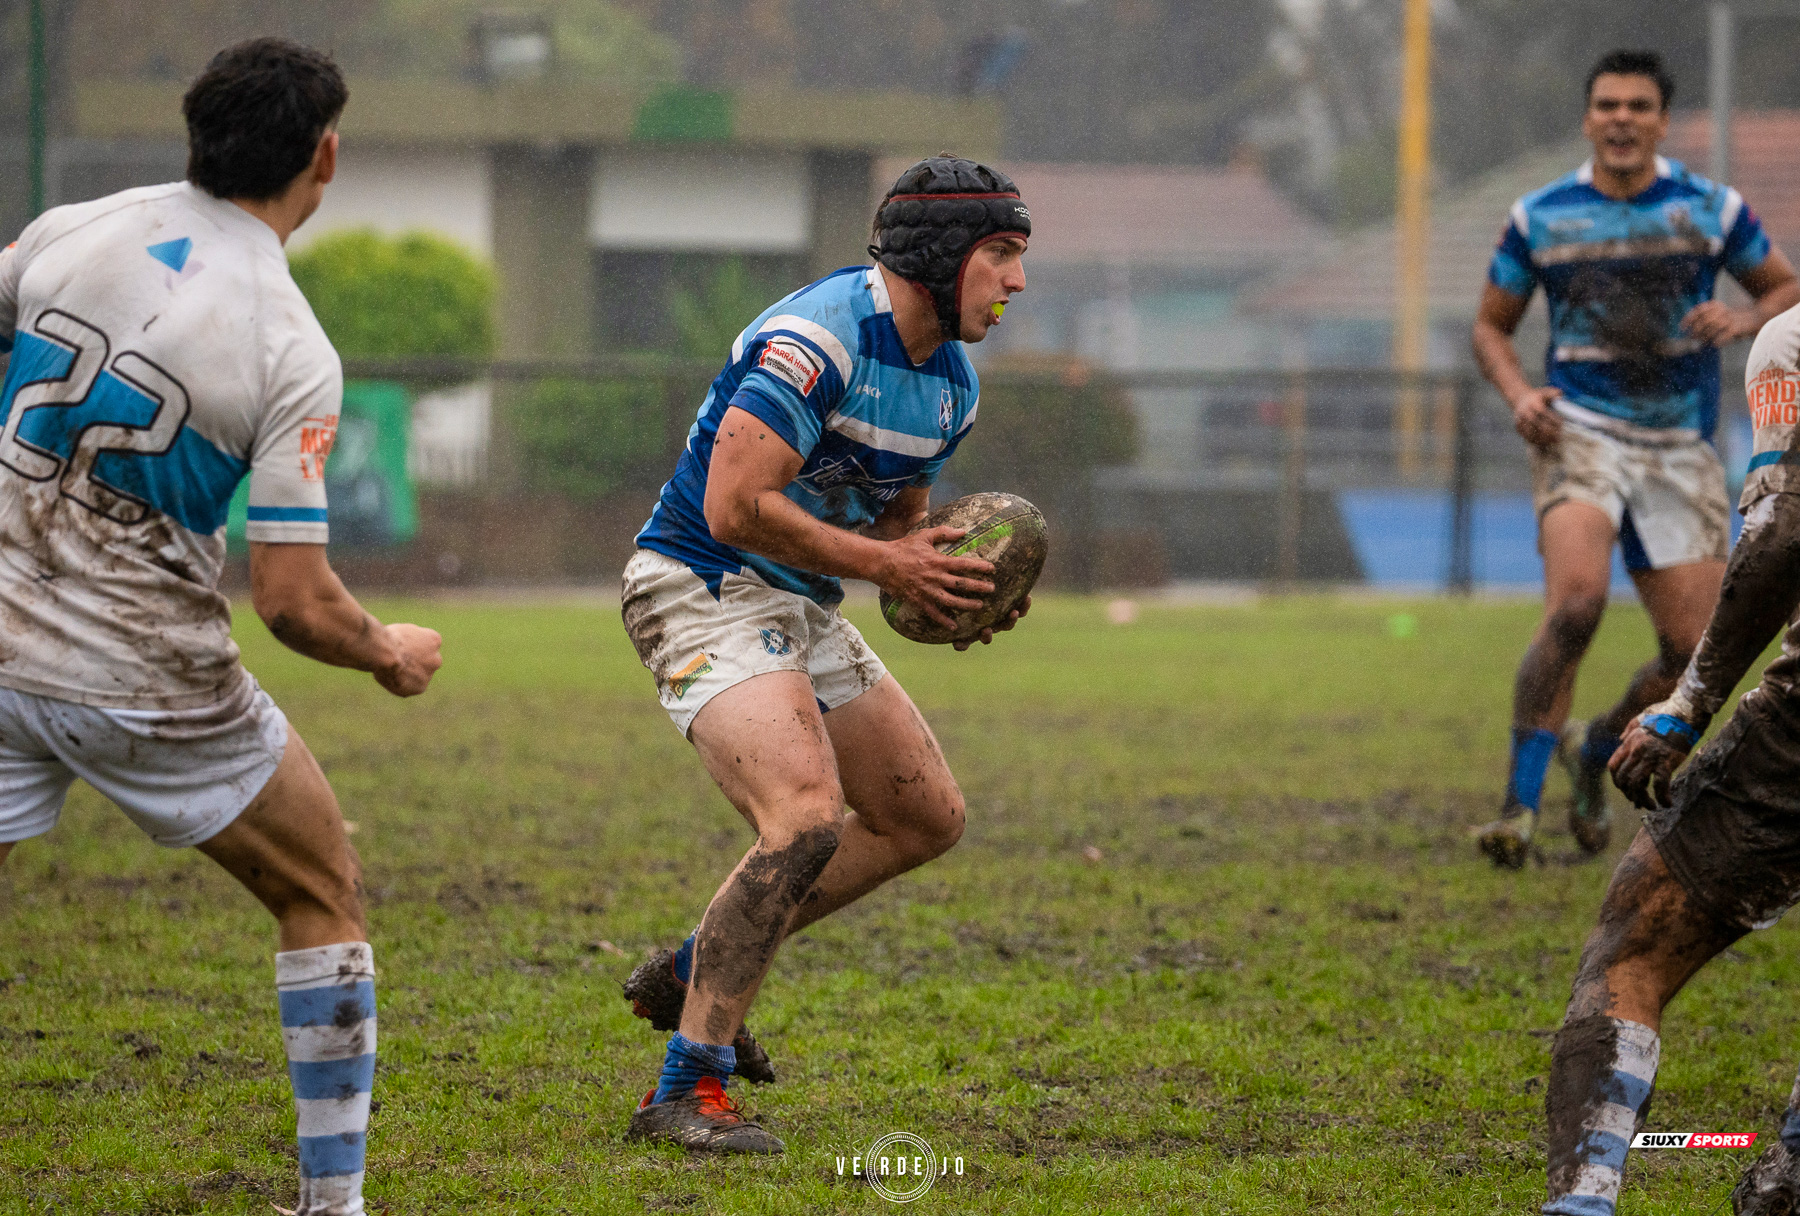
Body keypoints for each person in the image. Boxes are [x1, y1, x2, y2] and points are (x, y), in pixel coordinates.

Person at [0, 39, 442, 1216]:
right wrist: (387, 651)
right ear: (325, 157)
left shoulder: (68, 230)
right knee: (322, 890)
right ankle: (332, 1205)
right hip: (148, 678)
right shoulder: (289, 344)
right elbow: (293, 601)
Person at [616, 156, 1030, 1153]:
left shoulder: (951, 386)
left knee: (925, 816)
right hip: (701, 582)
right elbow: (733, 507)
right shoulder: (817, 340)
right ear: (941, 256)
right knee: (803, 817)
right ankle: (686, 1088)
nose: (1016, 281)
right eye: (1002, 254)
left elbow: (899, 529)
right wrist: (892, 564)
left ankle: (696, 967)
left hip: (800, 598)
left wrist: (953, 590)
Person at [1470, 49, 1799, 869]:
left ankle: (1597, 748)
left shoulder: (1710, 209)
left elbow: (1785, 290)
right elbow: (1490, 326)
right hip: (1578, 430)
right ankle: (1516, 809)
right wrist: (1519, 395)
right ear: (1589, 119)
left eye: (1639, 106)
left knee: (1692, 650)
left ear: (1661, 122)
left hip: (1680, 443)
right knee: (1576, 606)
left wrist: (1743, 318)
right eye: (1608, 105)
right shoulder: (1541, 215)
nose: (1622, 118)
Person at [1539, 294, 1800, 1214]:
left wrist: (1689, 705)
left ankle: (1583, 1198)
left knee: (1633, 948)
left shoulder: (1791, 340)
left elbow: (1783, 532)